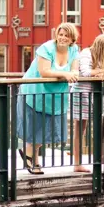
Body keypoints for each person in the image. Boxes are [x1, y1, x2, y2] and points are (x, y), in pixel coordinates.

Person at [17, 24, 80, 175]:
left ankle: (30, 156)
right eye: (61, 34)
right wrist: (65, 75)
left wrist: (72, 73)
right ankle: (33, 160)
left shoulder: (74, 50)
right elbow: (44, 71)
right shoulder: (46, 49)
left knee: (45, 129)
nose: (63, 38)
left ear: (72, 38)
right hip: (35, 92)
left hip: (55, 95)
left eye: (66, 35)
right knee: (36, 127)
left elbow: (75, 70)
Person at [71, 34, 104, 173]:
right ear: (101, 47)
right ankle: (77, 163)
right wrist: (102, 71)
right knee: (80, 128)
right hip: (82, 93)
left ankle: (102, 156)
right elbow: (85, 73)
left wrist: (102, 72)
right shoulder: (86, 53)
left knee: (102, 124)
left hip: (97, 94)